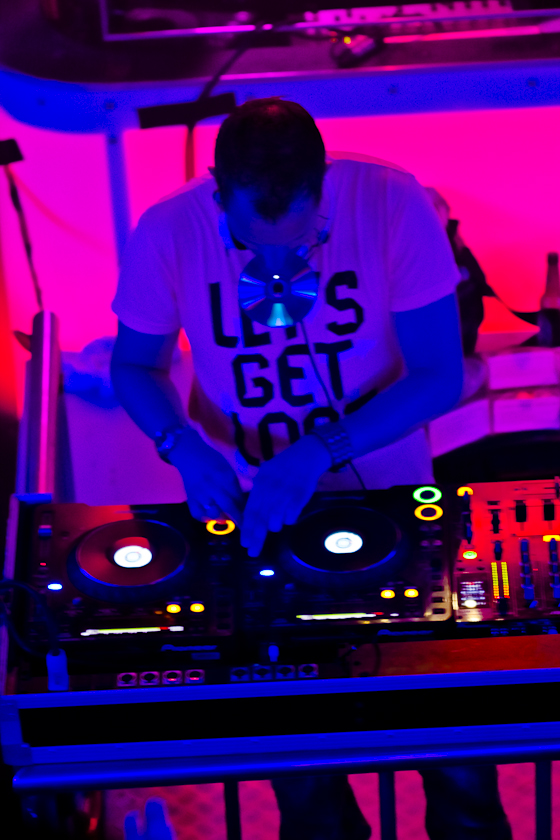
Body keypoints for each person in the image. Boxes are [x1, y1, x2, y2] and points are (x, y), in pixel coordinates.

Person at [111, 98, 511, 840]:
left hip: (395, 501)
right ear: (218, 190)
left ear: (322, 184)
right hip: (250, 516)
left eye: (301, 240)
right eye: (248, 243)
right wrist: (184, 447)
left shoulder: (391, 202)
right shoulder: (168, 230)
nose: (275, 268)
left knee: (458, 759)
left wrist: (318, 451)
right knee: (304, 777)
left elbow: (438, 374)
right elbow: (135, 365)